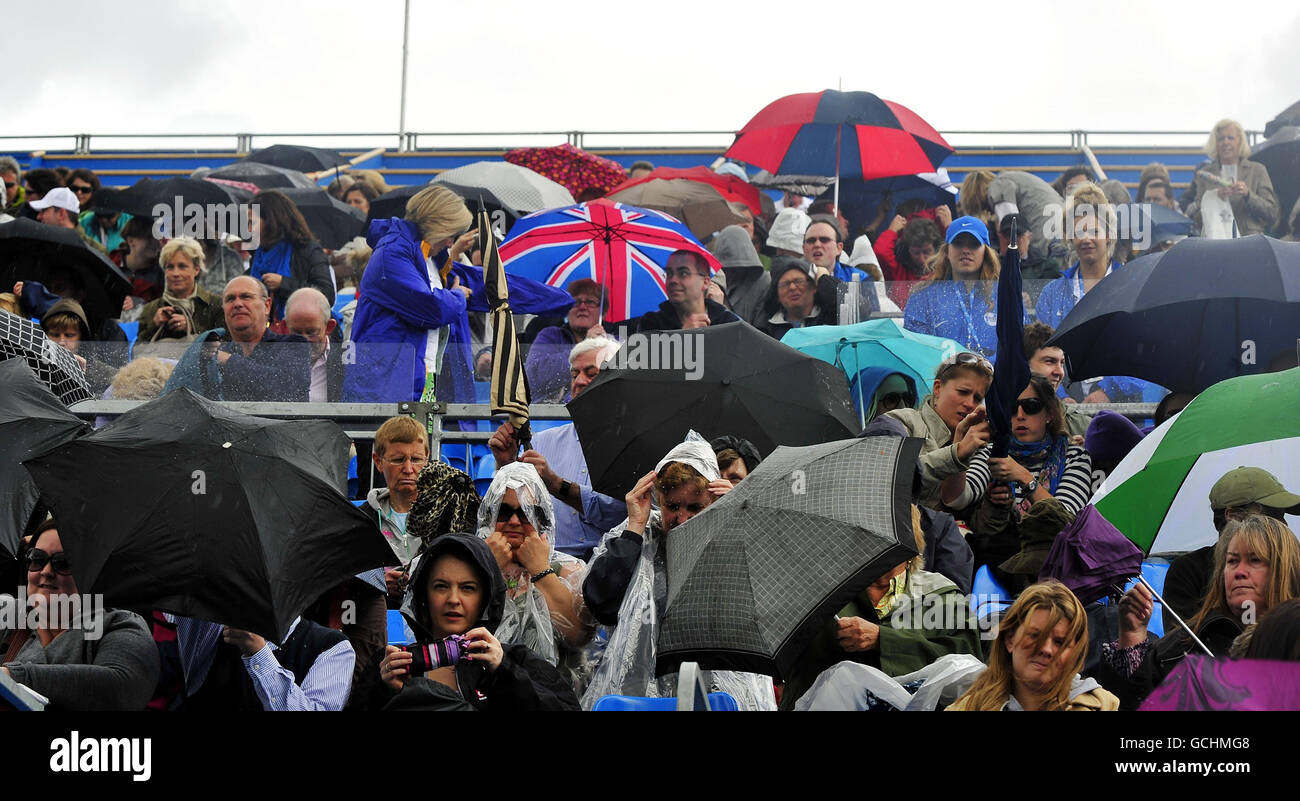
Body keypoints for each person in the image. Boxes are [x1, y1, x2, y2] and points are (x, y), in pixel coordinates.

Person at [579, 436, 776, 709]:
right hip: (640, 696)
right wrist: (634, 526)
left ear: (713, 501)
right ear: (659, 499)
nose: (682, 518)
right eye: (673, 506)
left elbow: (767, 606)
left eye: (694, 507)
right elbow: (601, 603)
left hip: (721, 696)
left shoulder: (732, 538)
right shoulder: (642, 538)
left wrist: (739, 523)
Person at [779, 504, 983, 710]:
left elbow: (967, 660)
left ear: (911, 541)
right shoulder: (822, 590)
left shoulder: (941, 594)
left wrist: (882, 640)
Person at [1102, 515, 1300, 709]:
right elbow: (1134, 702)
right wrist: (1131, 639)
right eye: (1232, 561)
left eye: (1255, 560)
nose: (1239, 571)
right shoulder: (1184, 644)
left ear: (1285, 568)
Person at [376, 532, 581, 711]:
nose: (453, 599)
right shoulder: (393, 666)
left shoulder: (518, 661)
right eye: (440, 586)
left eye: (468, 588)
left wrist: (504, 671)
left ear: (485, 599)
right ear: (423, 595)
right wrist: (388, 692)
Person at [489, 337, 627, 560]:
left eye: (591, 373)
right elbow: (507, 514)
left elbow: (621, 513)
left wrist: (555, 484)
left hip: (610, 570)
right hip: (547, 570)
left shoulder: (632, 444)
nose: (579, 381)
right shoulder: (541, 443)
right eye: (574, 374)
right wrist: (506, 464)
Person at [2, 519, 159, 710]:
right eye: (37, 558)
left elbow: (124, 687)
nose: (46, 571)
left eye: (64, 563)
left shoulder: (120, 624)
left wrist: (14, 676)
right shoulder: (12, 615)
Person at [943, 375, 1093, 575]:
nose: (1020, 415)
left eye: (1031, 406)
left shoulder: (1074, 456)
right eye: (1012, 408)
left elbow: (1067, 518)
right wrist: (958, 445)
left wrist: (1024, 478)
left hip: (1057, 567)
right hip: (1001, 567)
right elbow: (956, 499)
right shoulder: (991, 452)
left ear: (1049, 413)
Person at [343, 185, 476, 403]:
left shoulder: (426, 256)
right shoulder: (393, 252)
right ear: (437, 225)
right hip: (385, 386)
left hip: (416, 376)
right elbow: (431, 308)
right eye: (451, 234)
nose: (452, 242)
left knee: (423, 436)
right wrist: (458, 296)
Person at [1034, 184, 1144, 403]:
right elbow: (1040, 353)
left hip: (1125, 410)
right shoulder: (1052, 294)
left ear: (1109, 235)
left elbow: (1143, 350)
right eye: (1079, 232)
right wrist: (1060, 397)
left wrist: (1108, 391)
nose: (1086, 239)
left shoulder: (1133, 286)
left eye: (1094, 231)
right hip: (1065, 411)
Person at [476, 463, 592, 670]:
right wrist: (487, 568)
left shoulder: (568, 570)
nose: (513, 521)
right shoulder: (470, 564)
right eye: (503, 511)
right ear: (490, 516)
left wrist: (541, 570)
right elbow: (456, 632)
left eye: (525, 513)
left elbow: (579, 635)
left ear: (541, 519)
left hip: (552, 693)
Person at [1162, 467, 1300, 632]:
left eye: (1282, 516)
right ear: (1232, 516)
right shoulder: (1188, 571)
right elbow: (1179, 648)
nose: (1282, 524)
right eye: (1272, 515)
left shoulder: (1292, 567)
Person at [948, 581, 1118, 711]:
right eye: (1035, 636)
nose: (1046, 649)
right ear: (1009, 640)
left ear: (1075, 653)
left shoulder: (1104, 706)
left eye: (1059, 642)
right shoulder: (967, 707)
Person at [167, 275, 311, 402]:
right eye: (230, 299)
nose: (237, 304)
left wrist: (227, 361)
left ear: (267, 306)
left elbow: (289, 389)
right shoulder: (211, 354)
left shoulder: (293, 344)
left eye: (246, 297)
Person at [884, 351, 993, 510]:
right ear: (938, 388)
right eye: (963, 392)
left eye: (977, 398)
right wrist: (956, 453)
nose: (970, 404)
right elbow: (889, 477)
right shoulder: (900, 422)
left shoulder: (979, 443)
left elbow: (957, 501)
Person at [903, 216, 1005, 358]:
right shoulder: (923, 295)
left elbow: (1016, 345)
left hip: (992, 377)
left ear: (986, 252)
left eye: (974, 244)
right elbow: (916, 349)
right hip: (939, 377)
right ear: (946, 251)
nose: (966, 250)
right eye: (958, 243)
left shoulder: (1005, 295)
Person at [366, 415, 431, 606]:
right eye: (398, 460)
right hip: (377, 619)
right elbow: (348, 575)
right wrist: (377, 583)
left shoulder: (446, 518)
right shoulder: (362, 519)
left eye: (417, 459)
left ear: (427, 459)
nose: (408, 468)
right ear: (378, 462)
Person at [1184, 119, 1279, 237]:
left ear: (1240, 141)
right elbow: (1197, 220)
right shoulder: (1205, 175)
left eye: (1230, 138)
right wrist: (1214, 199)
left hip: (1249, 242)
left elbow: (1272, 213)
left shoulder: (1257, 170)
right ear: (1215, 143)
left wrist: (1248, 195)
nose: (1225, 142)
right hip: (1217, 242)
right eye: (1221, 139)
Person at [248, 190, 335, 320]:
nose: (249, 230)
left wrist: (283, 284)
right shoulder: (258, 254)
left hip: (303, 327)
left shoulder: (307, 250)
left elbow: (326, 294)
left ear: (272, 221)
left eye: (252, 223)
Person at [134, 236, 225, 358]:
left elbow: (225, 347)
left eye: (182, 266)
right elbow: (138, 351)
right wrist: (154, 324)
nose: (175, 274)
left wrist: (192, 327)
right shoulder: (151, 309)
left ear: (196, 269)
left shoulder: (216, 305)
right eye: (170, 267)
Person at [523, 278, 608, 403]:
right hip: (549, 416)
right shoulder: (550, 335)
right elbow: (533, 377)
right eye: (576, 302)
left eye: (590, 302)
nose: (583, 307)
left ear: (603, 312)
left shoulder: (614, 341)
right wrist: (586, 346)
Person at [959, 169, 1066, 265]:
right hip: (1061, 225)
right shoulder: (1012, 178)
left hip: (1044, 230)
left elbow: (1011, 226)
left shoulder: (998, 187)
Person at [633, 249, 739, 332]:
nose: (673, 280)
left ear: (705, 282)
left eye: (683, 273)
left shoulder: (728, 323)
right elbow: (646, 359)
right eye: (669, 274)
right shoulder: (651, 324)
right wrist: (683, 338)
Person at [1023, 321, 1090, 436]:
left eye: (1062, 363)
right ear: (1023, 365)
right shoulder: (997, 425)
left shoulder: (1082, 427)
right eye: (1049, 361)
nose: (1060, 372)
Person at [283, 287, 344, 402]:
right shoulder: (274, 359)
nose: (304, 340)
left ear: (329, 327)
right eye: (296, 333)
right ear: (286, 327)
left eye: (311, 333)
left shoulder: (345, 362)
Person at [754, 256, 839, 339]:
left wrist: (823, 277)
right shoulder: (767, 330)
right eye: (785, 284)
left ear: (814, 287)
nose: (792, 287)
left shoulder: (830, 318)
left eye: (798, 281)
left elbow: (842, 299)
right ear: (777, 295)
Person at [709, 224, 770, 326]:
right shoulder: (711, 281)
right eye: (726, 268)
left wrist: (723, 308)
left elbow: (761, 329)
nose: (732, 272)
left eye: (737, 267)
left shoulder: (763, 282)